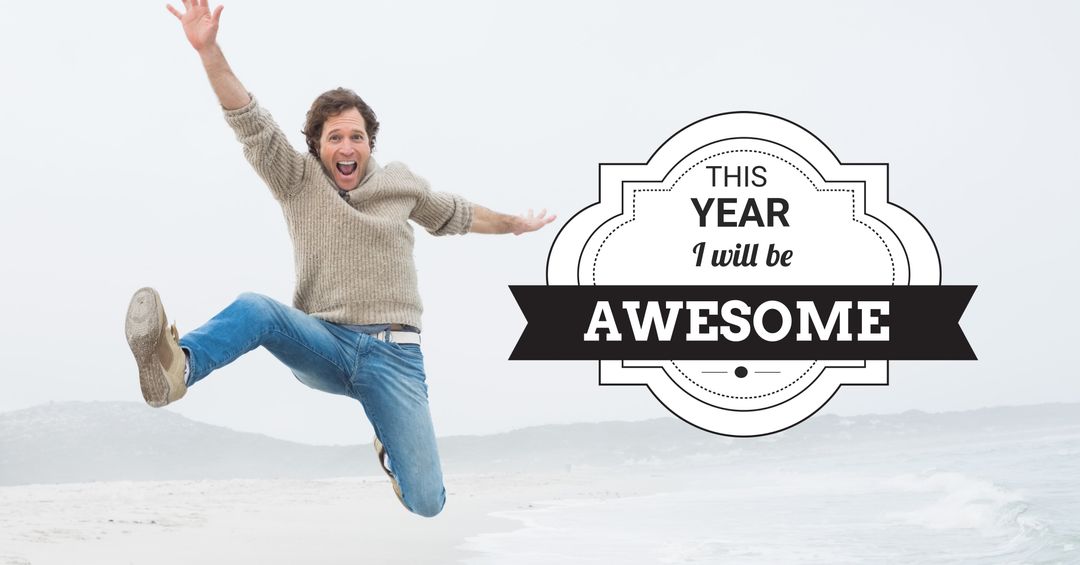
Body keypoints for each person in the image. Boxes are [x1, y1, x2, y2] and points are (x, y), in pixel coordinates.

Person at [125, 0, 555, 518]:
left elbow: (459, 215)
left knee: (427, 503)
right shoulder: (297, 179)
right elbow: (250, 120)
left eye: (356, 136)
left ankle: (393, 452)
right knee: (256, 309)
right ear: (317, 146)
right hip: (324, 343)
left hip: (396, 357)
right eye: (334, 138)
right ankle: (178, 368)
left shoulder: (401, 184)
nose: (346, 146)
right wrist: (209, 50)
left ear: (370, 143)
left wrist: (514, 224)